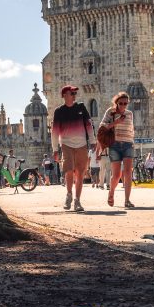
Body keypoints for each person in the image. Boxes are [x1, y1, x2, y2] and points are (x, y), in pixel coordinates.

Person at [51, 84, 93, 213]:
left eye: (75, 93)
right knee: (69, 171)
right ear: (64, 95)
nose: (74, 96)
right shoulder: (59, 111)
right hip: (66, 144)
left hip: (81, 144)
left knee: (80, 173)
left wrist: (93, 141)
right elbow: (55, 131)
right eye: (72, 93)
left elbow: (89, 125)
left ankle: (77, 201)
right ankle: (69, 195)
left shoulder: (81, 107)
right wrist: (55, 149)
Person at [101, 91, 136, 208]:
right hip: (114, 145)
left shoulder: (130, 114)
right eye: (121, 103)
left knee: (127, 173)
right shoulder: (110, 112)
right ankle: (111, 193)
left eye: (125, 103)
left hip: (128, 145)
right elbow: (102, 126)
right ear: (116, 102)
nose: (123, 105)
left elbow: (131, 129)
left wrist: (132, 142)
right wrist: (116, 122)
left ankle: (127, 200)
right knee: (116, 175)